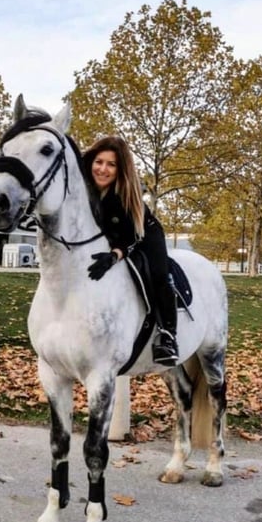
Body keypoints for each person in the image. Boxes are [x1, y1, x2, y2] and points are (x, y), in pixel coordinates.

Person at [82, 135, 178, 366]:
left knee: (158, 276)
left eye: (111, 164)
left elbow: (132, 235)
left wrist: (115, 255)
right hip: (108, 237)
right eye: (99, 161)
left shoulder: (124, 193)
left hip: (142, 233)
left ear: (119, 169)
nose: (103, 169)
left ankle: (167, 334)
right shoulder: (80, 185)